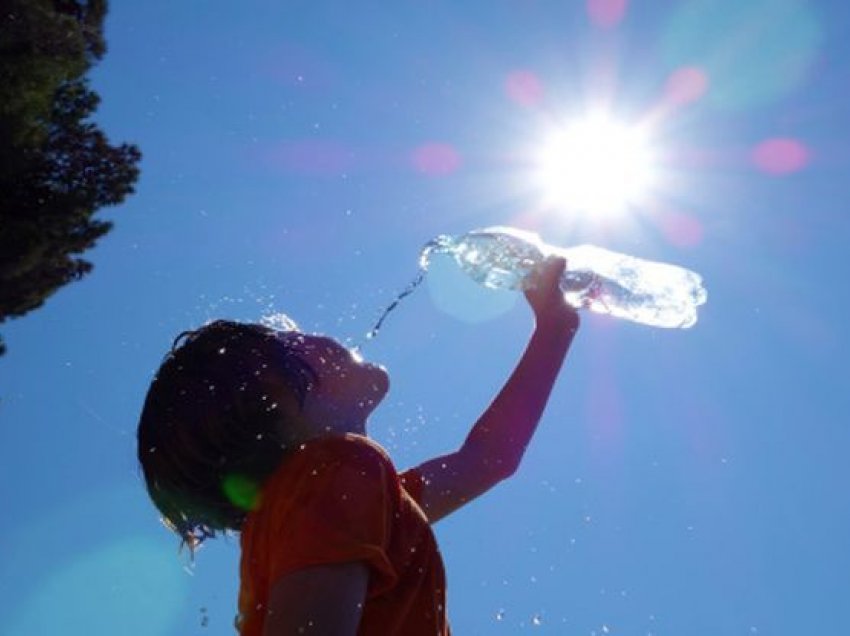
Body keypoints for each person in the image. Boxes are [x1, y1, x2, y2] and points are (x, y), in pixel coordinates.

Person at [137, 256, 579, 635]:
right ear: (275, 403)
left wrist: (555, 328)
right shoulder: (332, 474)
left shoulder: (342, 501)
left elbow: (489, 459)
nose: (305, 334)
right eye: (287, 342)